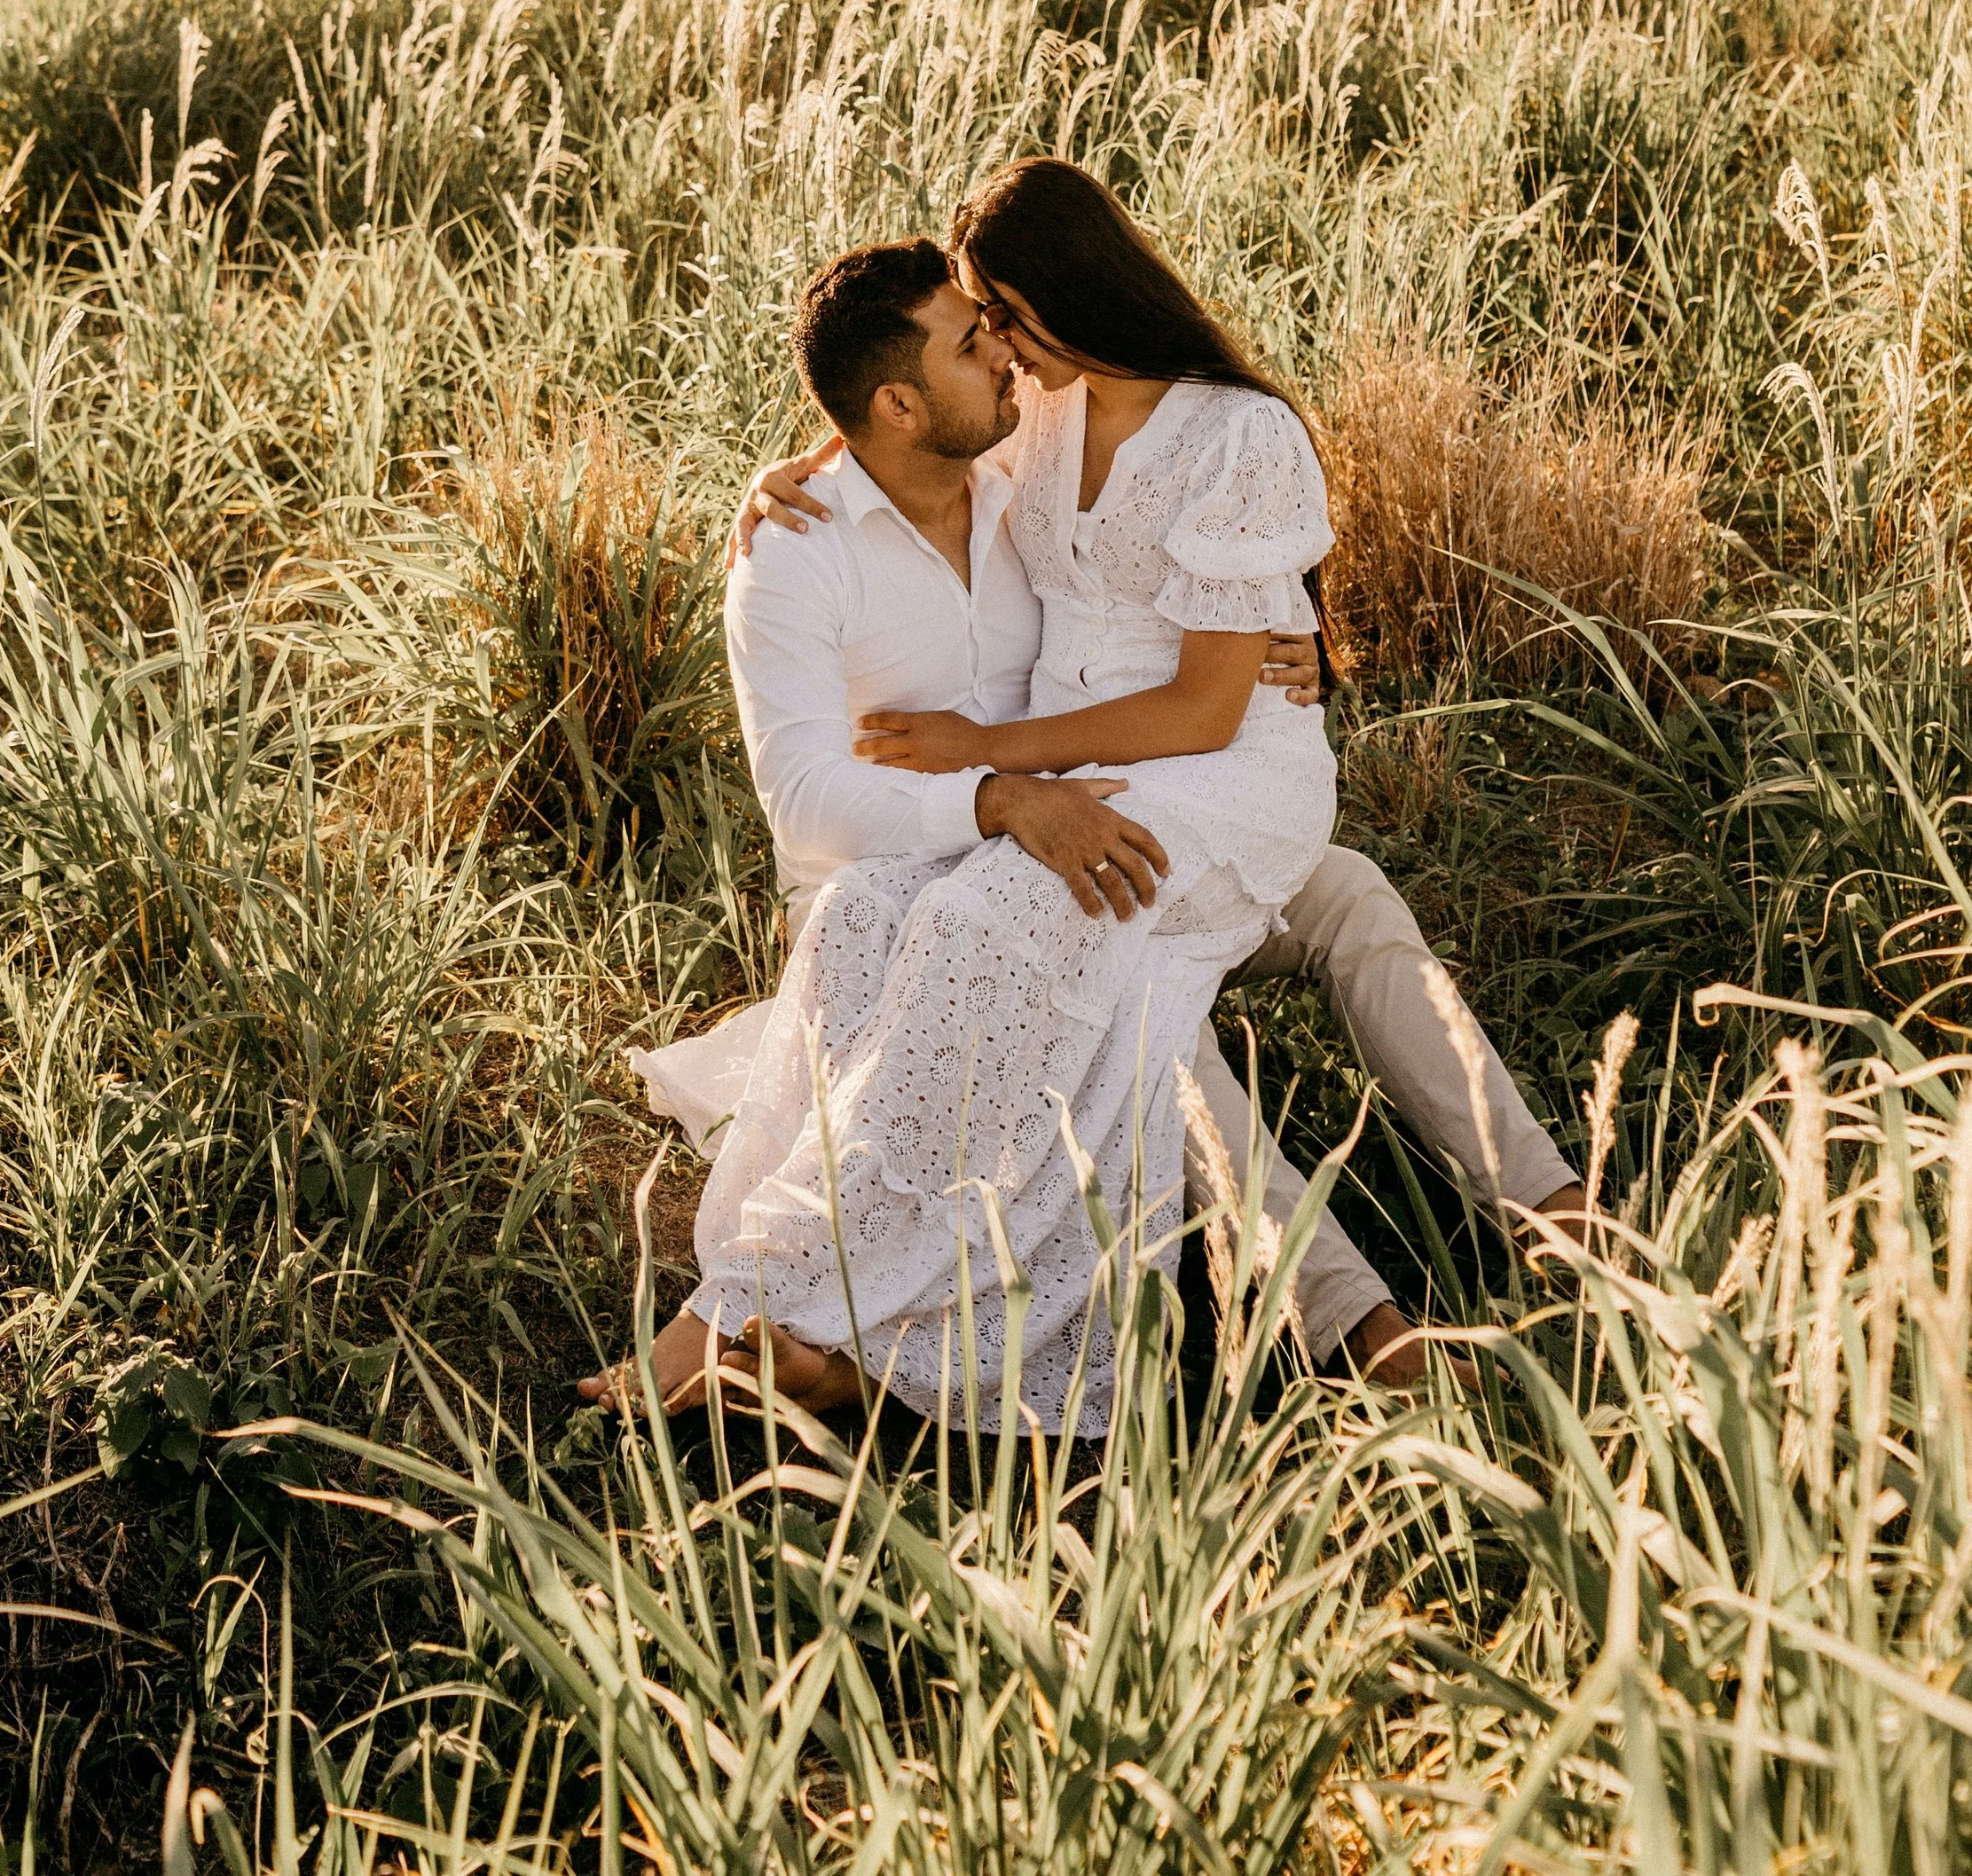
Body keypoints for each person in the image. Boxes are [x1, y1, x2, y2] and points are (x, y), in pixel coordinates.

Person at [585, 165, 1583, 1429]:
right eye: (975, 331)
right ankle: (1364, 1327)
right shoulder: (945, 473)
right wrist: (816, 458)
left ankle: (1548, 1208)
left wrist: (1011, 739)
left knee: (1331, 905)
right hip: (1034, 818)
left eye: (998, 316)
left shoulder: (1105, 430)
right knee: (1136, 1003)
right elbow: (909, 438)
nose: (996, 348)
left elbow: (1203, 664)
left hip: (1164, 786)